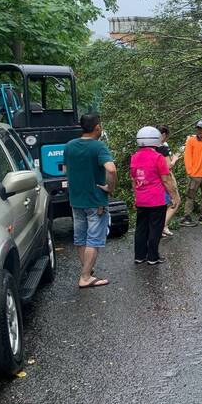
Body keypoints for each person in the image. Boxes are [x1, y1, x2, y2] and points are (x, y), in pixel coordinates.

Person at [63, 113, 117, 288]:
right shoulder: (98, 147)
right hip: (96, 201)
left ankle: (87, 270)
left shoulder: (69, 145)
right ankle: (85, 277)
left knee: (80, 238)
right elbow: (111, 169)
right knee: (93, 239)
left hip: (76, 199)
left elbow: (65, 169)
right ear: (97, 128)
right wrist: (110, 188)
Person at [131, 127, 181, 265]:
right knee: (155, 228)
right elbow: (166, 179)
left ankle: (139, 256)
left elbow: (133, 180)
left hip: (141, 199)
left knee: (141, 228)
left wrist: (135, 197)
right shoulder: (157, 157)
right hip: (156, 200)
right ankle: (153, 257)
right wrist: (174, 196)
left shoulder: (134, 157)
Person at [156, 125, 181, 237]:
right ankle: (161, 227)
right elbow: (168, 166)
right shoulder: (162, 148)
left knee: (164, 204)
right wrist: (175, 158)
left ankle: (164, 227)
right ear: (164, 135)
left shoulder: (152, 147)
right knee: (175, 201)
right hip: (166, 178)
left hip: (155, 179)